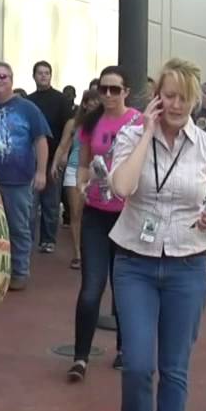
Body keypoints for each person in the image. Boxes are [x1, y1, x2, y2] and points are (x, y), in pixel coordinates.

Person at [107, 58, 206, 411]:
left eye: (183, 96)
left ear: (196, 99)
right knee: (139, 364)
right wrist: (145, 132)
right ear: (157, 97)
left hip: (187, 264)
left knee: (174, 368)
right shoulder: (129, 135)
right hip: (135, 262)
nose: (176, 104)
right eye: (168, 95)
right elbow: (121, 188)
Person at [65, 69, 139, 380]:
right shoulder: (91, 121)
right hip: (96, 211)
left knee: (124, 286)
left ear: (126, 91)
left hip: (127, 213)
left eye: (114, 90)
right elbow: (83, 163)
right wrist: (83, 183)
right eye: (103, 90)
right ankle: (80, 357)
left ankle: (124, 349)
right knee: (91, 287)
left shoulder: (137, 122)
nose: (108, 96)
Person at [0, 62, 50, 290]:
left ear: (11, 79)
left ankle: (19, 272)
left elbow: (41, 140)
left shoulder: (28, 109)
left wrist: (42, 172)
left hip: (18, 180)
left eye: (3, 76)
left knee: (18, 227)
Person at [27, 61, 74, 255]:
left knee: (51, 202)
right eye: (40, 73)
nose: (43, 76)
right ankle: (27, 240)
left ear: (51, 76)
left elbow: (69, 129)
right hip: (32, 158)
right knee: (31, 202)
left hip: (54, 156)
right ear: (34, 76)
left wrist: (62, 155)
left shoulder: (61, 100)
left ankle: (48, 240)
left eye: (47, 73)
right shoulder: (28, 101)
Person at [53, 89, 101, 273]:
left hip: (96, 172)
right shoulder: (74, 124)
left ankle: (91, 251)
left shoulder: (105, 123)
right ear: (85, 103)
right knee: (76, 213)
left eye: (97, 101)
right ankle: (77, 254)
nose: (94, 105)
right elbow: (63, 145)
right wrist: (54, 163)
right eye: (90, 101)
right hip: (74, 169)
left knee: (94, 216)